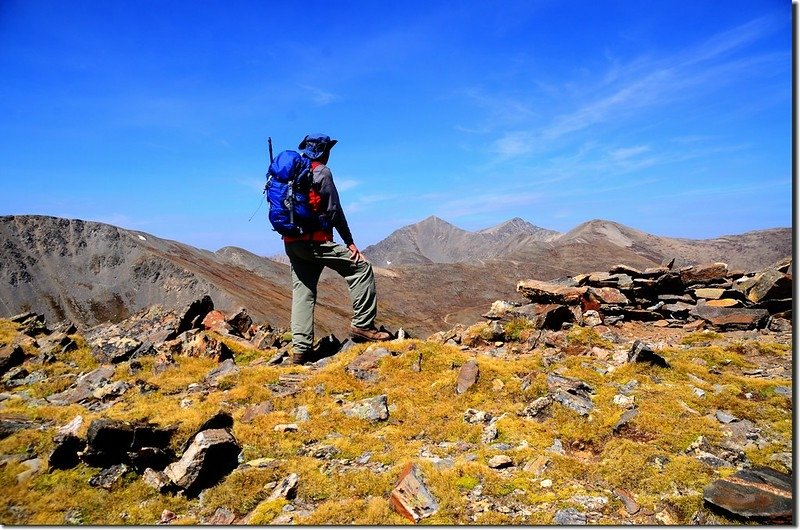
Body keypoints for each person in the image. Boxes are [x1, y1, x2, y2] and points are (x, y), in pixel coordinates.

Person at [283, 133, 391, 364]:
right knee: (361, 269)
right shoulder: (321, 172)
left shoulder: (290, 172)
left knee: (303, 292)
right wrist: (349, 241)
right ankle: (363, 326)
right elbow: (334, 210)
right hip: (316, 241)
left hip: (292, 243)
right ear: (323, 151)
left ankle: (301, 350)